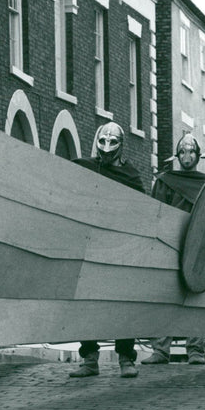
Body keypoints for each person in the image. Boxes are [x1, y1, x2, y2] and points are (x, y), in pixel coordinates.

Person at [69, 122, 145, 379]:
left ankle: (126, 358)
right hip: (90, 243)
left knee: (123, 304)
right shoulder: (84, 168)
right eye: (103, 140)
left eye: (113, 142)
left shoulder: (131, 176)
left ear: (121, 145)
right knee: (86, 302)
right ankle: (89, 358)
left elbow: (142, 211)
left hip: (120, 246)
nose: (107, 146)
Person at [141, 133, 205, 366]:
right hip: (170, 246)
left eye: (191, 151)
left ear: (198, 155)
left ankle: (196, 350)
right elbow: (156, 212)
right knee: (165, 297)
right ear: (177, 156)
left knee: (195, 298)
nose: (187, 156)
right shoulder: (166, 181)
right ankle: (160, 349)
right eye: (183, 152)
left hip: (198, 247)